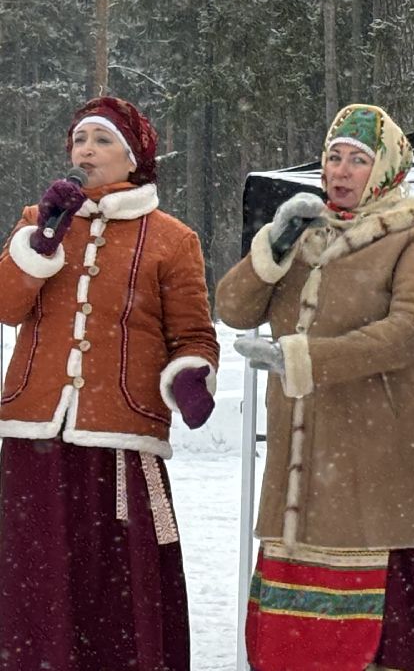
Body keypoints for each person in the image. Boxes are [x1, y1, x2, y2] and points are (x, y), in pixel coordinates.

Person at [216, 103, 414, 671]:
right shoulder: (306, 233)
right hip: (300, 451)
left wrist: (302, 357)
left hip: (376, 446)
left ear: (386, 170)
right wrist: (273, 247)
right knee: (292, 633)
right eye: (333, 158)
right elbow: (232, 308)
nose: (341, 172)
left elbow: (403, 336)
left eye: (357, 160)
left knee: (373, 616)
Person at [0, 96, 219, 671]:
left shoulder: (172, 239)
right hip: (36, 428)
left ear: (134, 157)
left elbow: (194, 334)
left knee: (118, 577)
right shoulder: (38, 221)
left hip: (119, 436)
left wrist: (192, 375)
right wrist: (41, 241)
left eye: (100, 141)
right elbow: (6, 305)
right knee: (36, 572)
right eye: (79, 141)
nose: (86, 151)